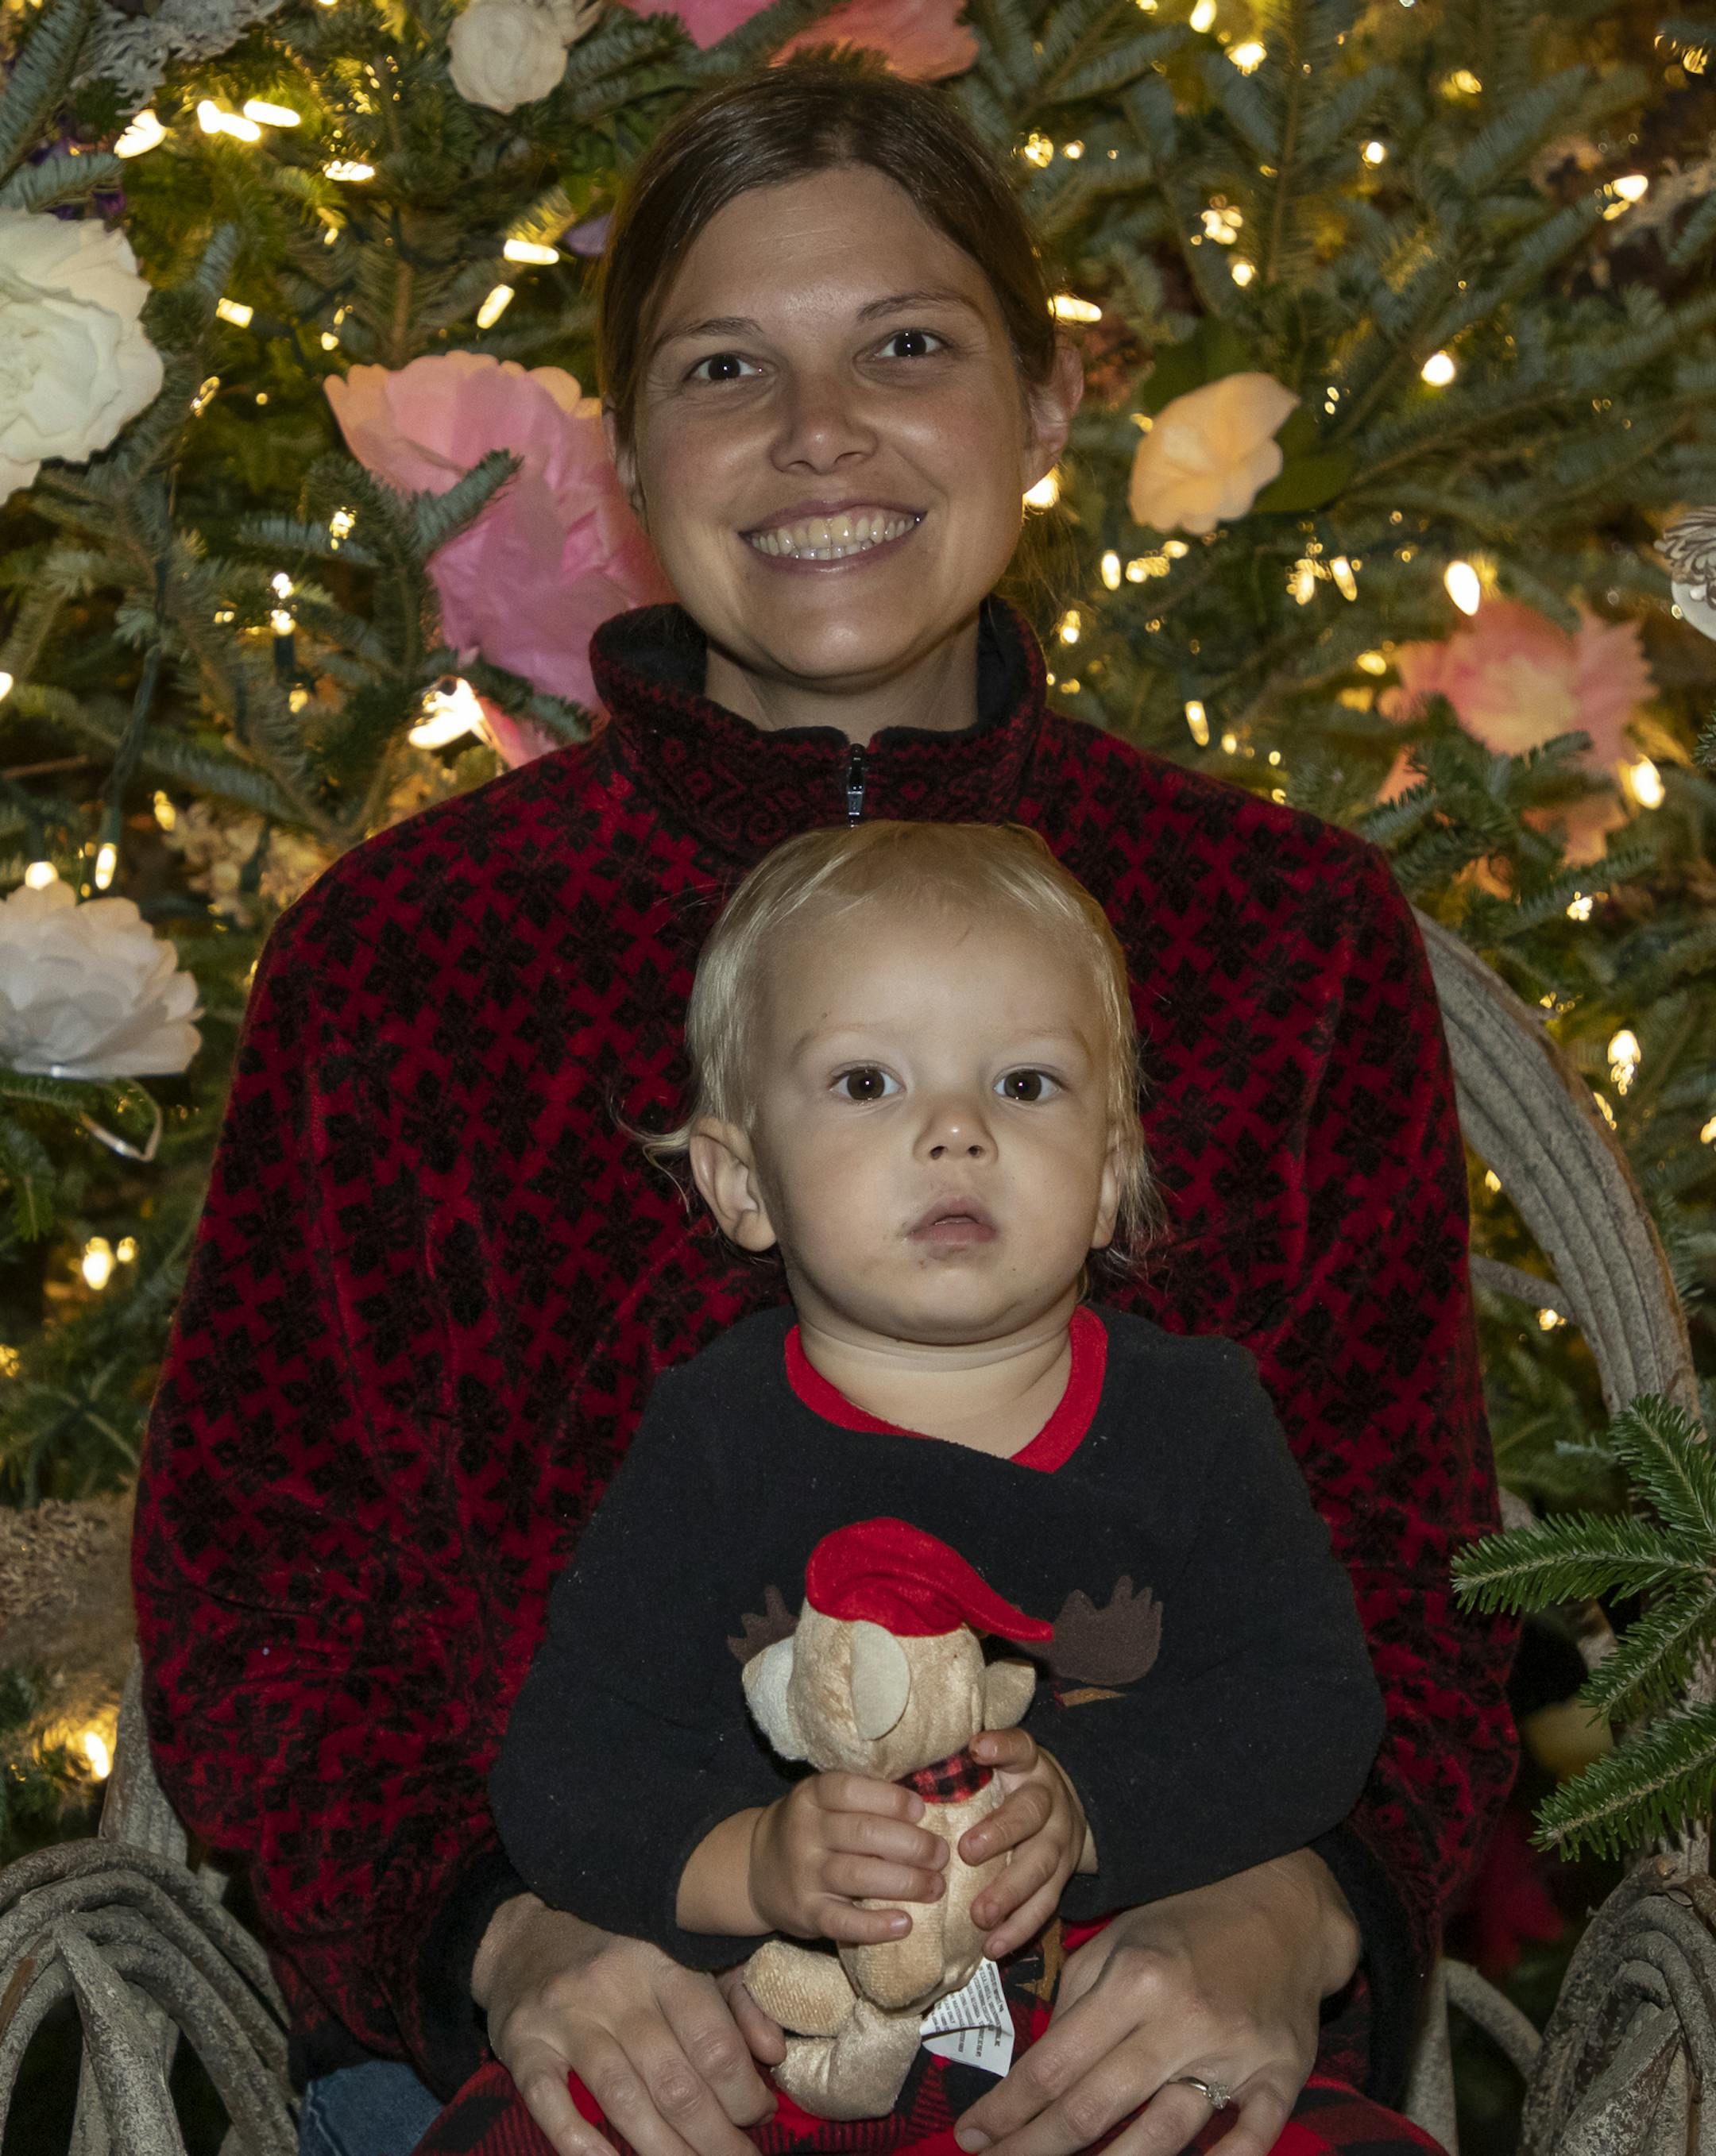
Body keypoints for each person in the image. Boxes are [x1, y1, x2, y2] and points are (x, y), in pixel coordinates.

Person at [129, 52, 1516, 2156]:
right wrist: (495, 1944)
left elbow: (1409, 1580)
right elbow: (260, 1596)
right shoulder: (410, 960)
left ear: (1046, 404)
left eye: (908, 345)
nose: (817, 438)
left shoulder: (1282, 935)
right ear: (623, 457)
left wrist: (1290, 1911)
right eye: (721, 369)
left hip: (1131, 2062)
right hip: (579, 2059)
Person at [484, 820, 1388, 2152]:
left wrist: (1089, 1806)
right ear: (742, 1182)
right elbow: (562, 1769)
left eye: (1025, 1085)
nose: (957, 1131)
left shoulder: (1196, 1420)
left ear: (1110, 1176)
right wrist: (749, 1863)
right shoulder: (714, 1438)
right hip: (772, 2060)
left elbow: (1316, 1712)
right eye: (867, 1083)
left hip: (1115, 2056)